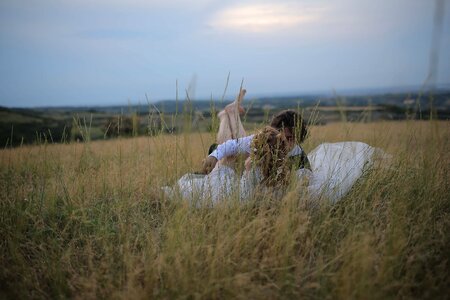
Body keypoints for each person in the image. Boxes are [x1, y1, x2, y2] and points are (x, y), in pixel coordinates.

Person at [202, 109, 310, 174]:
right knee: (231, 148)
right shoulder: (262, 140)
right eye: (283, 137)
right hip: (224, 152)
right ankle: (226, 115)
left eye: (293, 138)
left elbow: (308, 175)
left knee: (239, 137)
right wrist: (215, 155)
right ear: (273, 132)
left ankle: (231, 113)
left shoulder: (298, 154)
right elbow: (233, 144)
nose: (286, 142)